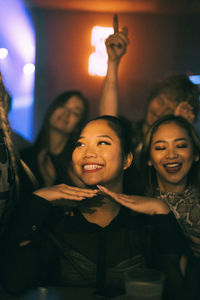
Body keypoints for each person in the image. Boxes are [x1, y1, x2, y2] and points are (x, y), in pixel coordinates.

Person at [1, 115, 197, 300]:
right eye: (80, 144)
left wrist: (162, 211)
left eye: (103, 142)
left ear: (126, 160)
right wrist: (37, 200)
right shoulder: (57, 220)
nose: (88, 153)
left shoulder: (145, 224)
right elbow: (14, 284)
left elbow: (179, 292)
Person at [100, 18, 200, 168]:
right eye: (160, 102)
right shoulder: (129, 131)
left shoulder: (180, 148)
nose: (160, 111)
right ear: (150, 97)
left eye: (169, 109)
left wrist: (181, 126)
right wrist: (113, 62)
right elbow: (107, 119)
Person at [98, 115, 200, 261]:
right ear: (149, 159)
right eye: (160, 147)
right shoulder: (134, 206)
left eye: (181, 145)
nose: (171, 155)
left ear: (195, 154)